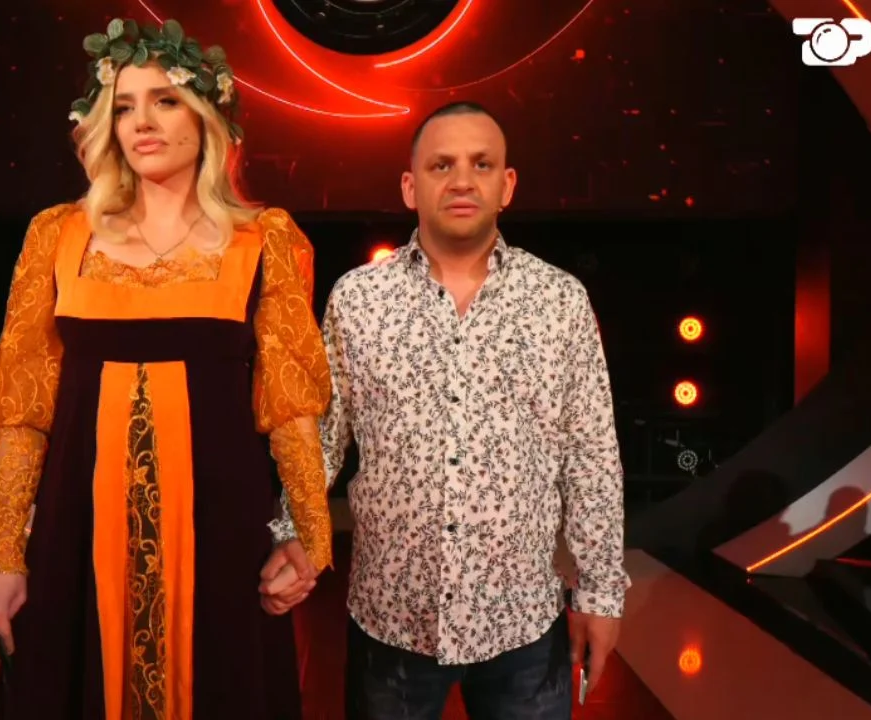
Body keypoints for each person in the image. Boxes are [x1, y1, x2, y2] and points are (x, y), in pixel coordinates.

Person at [0, 17, 334, 719]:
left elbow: (290, 409)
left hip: (221, 543)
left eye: (165, 101)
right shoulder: (59, 235)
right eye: (125, 105)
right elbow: (23, 412)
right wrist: (3, 555)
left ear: (206, 116)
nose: (142, 122)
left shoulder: (264, 241)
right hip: (77, 540)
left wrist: (310, 541)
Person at [260, 101, 631, 719]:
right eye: (442, 165)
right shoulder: (359, 299)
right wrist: (293, 533)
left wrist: (601, 593)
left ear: (507, 185)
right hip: (390, 621)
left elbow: (590, 456)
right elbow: (322, 439)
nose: (462, 180)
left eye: (481, 164)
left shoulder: (559, 301)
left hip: (522, 624)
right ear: (411, 187)